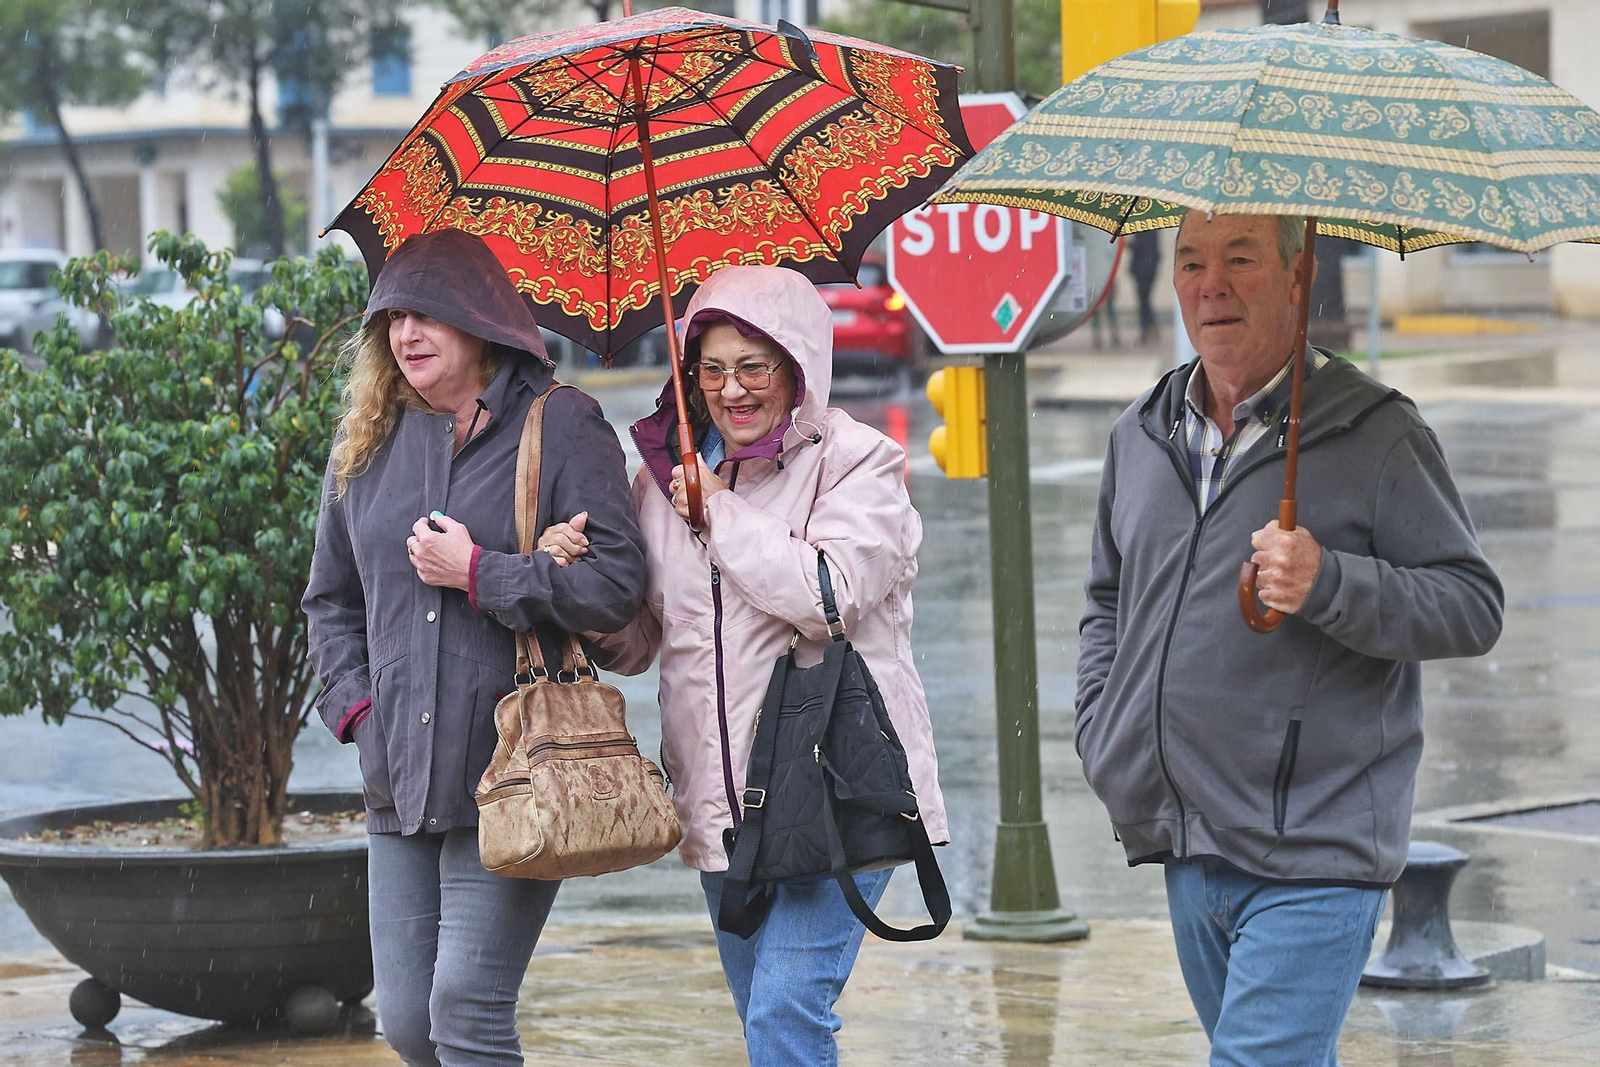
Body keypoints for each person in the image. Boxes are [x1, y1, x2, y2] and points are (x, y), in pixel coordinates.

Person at [1075, 211, 1504, 1067]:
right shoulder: (1142, 433)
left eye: (1241, 258)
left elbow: (1470, 603)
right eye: (1192, 261)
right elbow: (1106, 599)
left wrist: (1331, 582)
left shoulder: (1378, 430)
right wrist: (1104, 732)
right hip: (1185, 841)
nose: (1212, 284)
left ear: (1299, 275)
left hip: (1316, 846)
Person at [538, 265, 948, 1066]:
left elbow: (829, 595)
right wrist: (578, 587)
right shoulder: (666, 483)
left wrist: (714, 513)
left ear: (799, 367)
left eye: (754, 366)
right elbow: (644, 639)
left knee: (786, 1015)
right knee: (769, 1025)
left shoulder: (858, 464)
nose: (733, 390)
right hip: (727, 815)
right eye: (712, 368)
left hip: (840, 794)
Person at [302, 229, 645, 1067]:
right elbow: (329, 601)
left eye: (429, 314)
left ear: (482, 320)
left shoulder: (560, 426)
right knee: (411, 1026)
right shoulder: (368, 445)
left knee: (466, 1009)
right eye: (393, 317)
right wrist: (359, 712)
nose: (407, 333)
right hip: (399, 773)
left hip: (517, 767)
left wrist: (484, 572)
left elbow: (616, 587)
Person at [1129, 229, 1162, 344]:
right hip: (1146, 268)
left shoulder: (1144, 227)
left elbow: (1143, 246)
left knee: (1144, 300)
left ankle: (1147, 328)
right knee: (1145, 300)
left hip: (1144, 269)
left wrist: (1129, 245)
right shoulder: (1150, 227)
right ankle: (1150, 327)